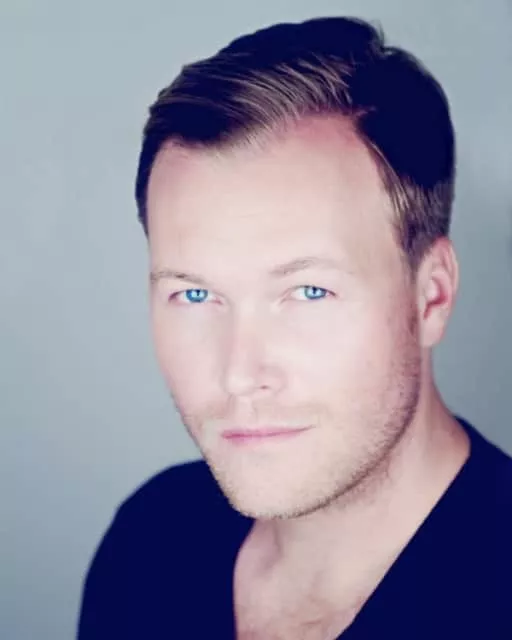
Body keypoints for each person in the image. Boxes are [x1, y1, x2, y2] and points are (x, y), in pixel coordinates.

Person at [77, 16, 512, 640]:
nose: (239, 374)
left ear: (431, 295)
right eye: (195, 294)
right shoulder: (150, 546)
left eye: (308, 291)